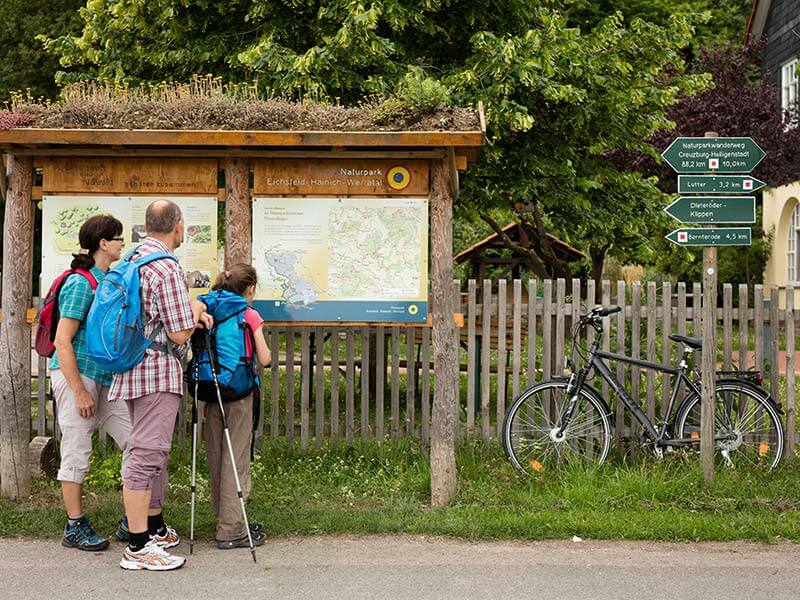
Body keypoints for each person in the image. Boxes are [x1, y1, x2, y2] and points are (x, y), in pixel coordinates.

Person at [111, 199, 211, 571]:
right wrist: (197, 310)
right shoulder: (166, 267)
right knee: (146, 453)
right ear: (178, 225)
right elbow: (180, 331)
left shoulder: (133, 260)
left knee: (147, 450)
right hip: (156, 370)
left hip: (132, 365)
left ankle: (150, 529)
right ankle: (138, 546)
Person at [51, 214, 130, 551]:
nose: (122, 244)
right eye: (118, 238)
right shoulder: (80, 284)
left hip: (104, 378)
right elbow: (62, 340)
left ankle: (134, 520)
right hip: (77, 376)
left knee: (136, 441)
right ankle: (74, 526)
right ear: (103, 243)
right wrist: (80, 391)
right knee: (77, 450)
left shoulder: (107, 279)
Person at [199, 264, 270, 549]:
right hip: (239, 394)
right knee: (236, 459)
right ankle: (231, 530)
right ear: (250, 289)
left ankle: (225, 518)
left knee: (216, 455)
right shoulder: (248, 314)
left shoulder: (207, 308)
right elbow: (264, 359)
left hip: (210, 389)